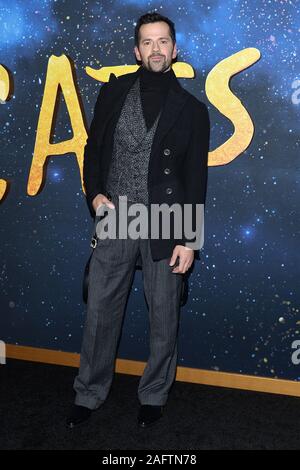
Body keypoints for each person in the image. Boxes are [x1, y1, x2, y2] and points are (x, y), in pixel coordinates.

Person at [67, 11, 210, 429]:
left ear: (174, 48)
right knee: (99, 311)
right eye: (147, 42)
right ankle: (88, 392)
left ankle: (154, 394)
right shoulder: (113, 94)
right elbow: (93, 152)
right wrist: (94, 194)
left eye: (162, 41)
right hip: (117, 214)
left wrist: (189, 239)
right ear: (136, 50)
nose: (155, 49)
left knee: (164, 315)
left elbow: (194, 180)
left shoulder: (192, 110)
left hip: (166, 220)